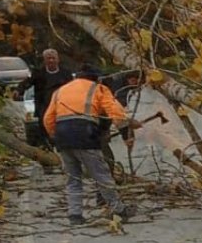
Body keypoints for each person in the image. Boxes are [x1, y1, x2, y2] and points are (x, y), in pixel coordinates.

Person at [43, 65, 142, 225]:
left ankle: (75, 215)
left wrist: (55, 137)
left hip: (62, 135)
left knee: (73, 178)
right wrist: (126, 136)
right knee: (101, 175)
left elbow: (48, 118)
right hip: (85, 134)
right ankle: (118, 209)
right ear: (96, 77)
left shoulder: (60, 91)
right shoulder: (99, 89)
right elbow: (116, 113)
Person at [16, 48, 75, 149]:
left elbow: (74, 88)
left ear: (58, 59)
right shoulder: (39, 73)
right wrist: (18, 90)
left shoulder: (66, 73)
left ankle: (64, 145)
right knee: (44, 127)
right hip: (44, 106)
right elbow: (27, 83)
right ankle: (48, 146)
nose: (51, 60)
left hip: (62, 106)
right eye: (48, 58)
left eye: (53, 58)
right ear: (44, 60)